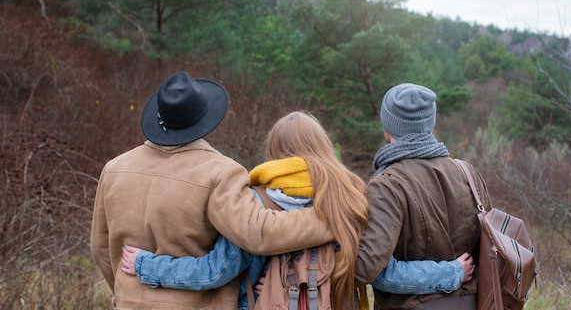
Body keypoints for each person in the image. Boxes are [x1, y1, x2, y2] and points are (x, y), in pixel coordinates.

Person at [119, 111, 476, 309]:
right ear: (322, 146)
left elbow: (214, 272)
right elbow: (382, 274)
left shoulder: (254, 202)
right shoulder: (352, 198)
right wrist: (450, 274)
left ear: (276, 152)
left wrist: (146, 265)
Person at [90, 73, 334, 310]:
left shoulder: (113, 169)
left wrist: (129, 293)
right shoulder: (221, 173)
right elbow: (259, 235)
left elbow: (100, 249)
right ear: (204, 119)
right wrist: (332, 218)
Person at [354, 83, 492, 310]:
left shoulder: (387, 185)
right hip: (472, 304)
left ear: (387, 127)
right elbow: (487, 251)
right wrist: (454, 271)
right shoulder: (468, 173)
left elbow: (369, 269)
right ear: (430, 122)